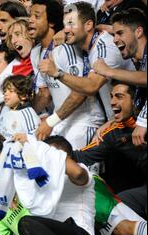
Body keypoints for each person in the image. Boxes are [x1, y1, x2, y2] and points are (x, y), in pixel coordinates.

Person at [40, 1, 135, 123]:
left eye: (71, 24)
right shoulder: (87, 46)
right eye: (65, 25)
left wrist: (57, 73)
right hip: (115, 120)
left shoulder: (105, 47)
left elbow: (92, 86)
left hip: (133, 121)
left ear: (88, 25)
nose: (65, 30)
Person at [31, 0, 105, 149]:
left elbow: (80, 92)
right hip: (61, 121)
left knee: (77, 170)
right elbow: (45, 94)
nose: (30, 20)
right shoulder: (35, 53)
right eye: (29, 15)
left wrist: (51, 121)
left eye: (36, 16)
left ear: (51, 22)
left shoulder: (67, 48)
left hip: (83, 122)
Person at [73, 81, 147, 217]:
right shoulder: (113, 132)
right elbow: (82, 156)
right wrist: (47, 150)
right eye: (111, 96)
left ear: (135, 100)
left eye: (119, 97)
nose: (112, 102)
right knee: (116, 207)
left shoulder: (143, 124)